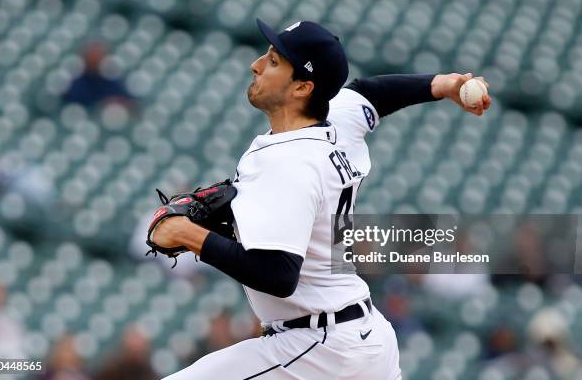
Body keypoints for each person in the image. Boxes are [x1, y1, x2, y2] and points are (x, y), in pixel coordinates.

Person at [151, 19, 491, 379]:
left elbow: (279, 275)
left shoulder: (288, 161)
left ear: (302, 87)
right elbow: (371, 92)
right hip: (360, 335)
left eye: (275, 61)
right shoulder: (332, 119)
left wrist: (186, 234)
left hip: (319, 349)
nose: (257, 65)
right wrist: (443, 84)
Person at [62, 41, 133, 108]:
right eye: (92, 55)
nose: (95, 58)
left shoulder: (113, 83)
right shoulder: (76, 85)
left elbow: (127, 102)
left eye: (98, 54)